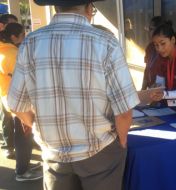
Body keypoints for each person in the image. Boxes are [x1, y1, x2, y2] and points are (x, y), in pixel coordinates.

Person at [7, 0, 140, 189]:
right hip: (100, 151)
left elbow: (16, 104)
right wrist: (123, 140)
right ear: (88, 8)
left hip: (54, 154)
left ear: (55, 8)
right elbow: (124, 110)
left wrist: (36, 125)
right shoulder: (106, 42)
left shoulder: (30, 43)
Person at [0, 22, 43, 181]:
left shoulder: (4, 50)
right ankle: (22, 171)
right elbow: (23, 80)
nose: (25, 38)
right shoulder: (11, 55)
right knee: (23, 137)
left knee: (22, 135)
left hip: (8, 99)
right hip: (20, 103)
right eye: (22, 35)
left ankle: (23, 167)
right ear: (13, 37)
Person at [0, 13, 18, 158]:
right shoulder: (5, 46)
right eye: (10, 24)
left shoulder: (11, 42)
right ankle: (8, 146)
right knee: (6, 117)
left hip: (8, 87)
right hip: (5, 88)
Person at [141, 16, 168, 90]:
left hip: (165, 93)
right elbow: (147, 70)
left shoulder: (167, 50)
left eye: (151, 29)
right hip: (151, 91)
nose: (148, 32)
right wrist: (143, 90)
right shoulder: (149, 47)